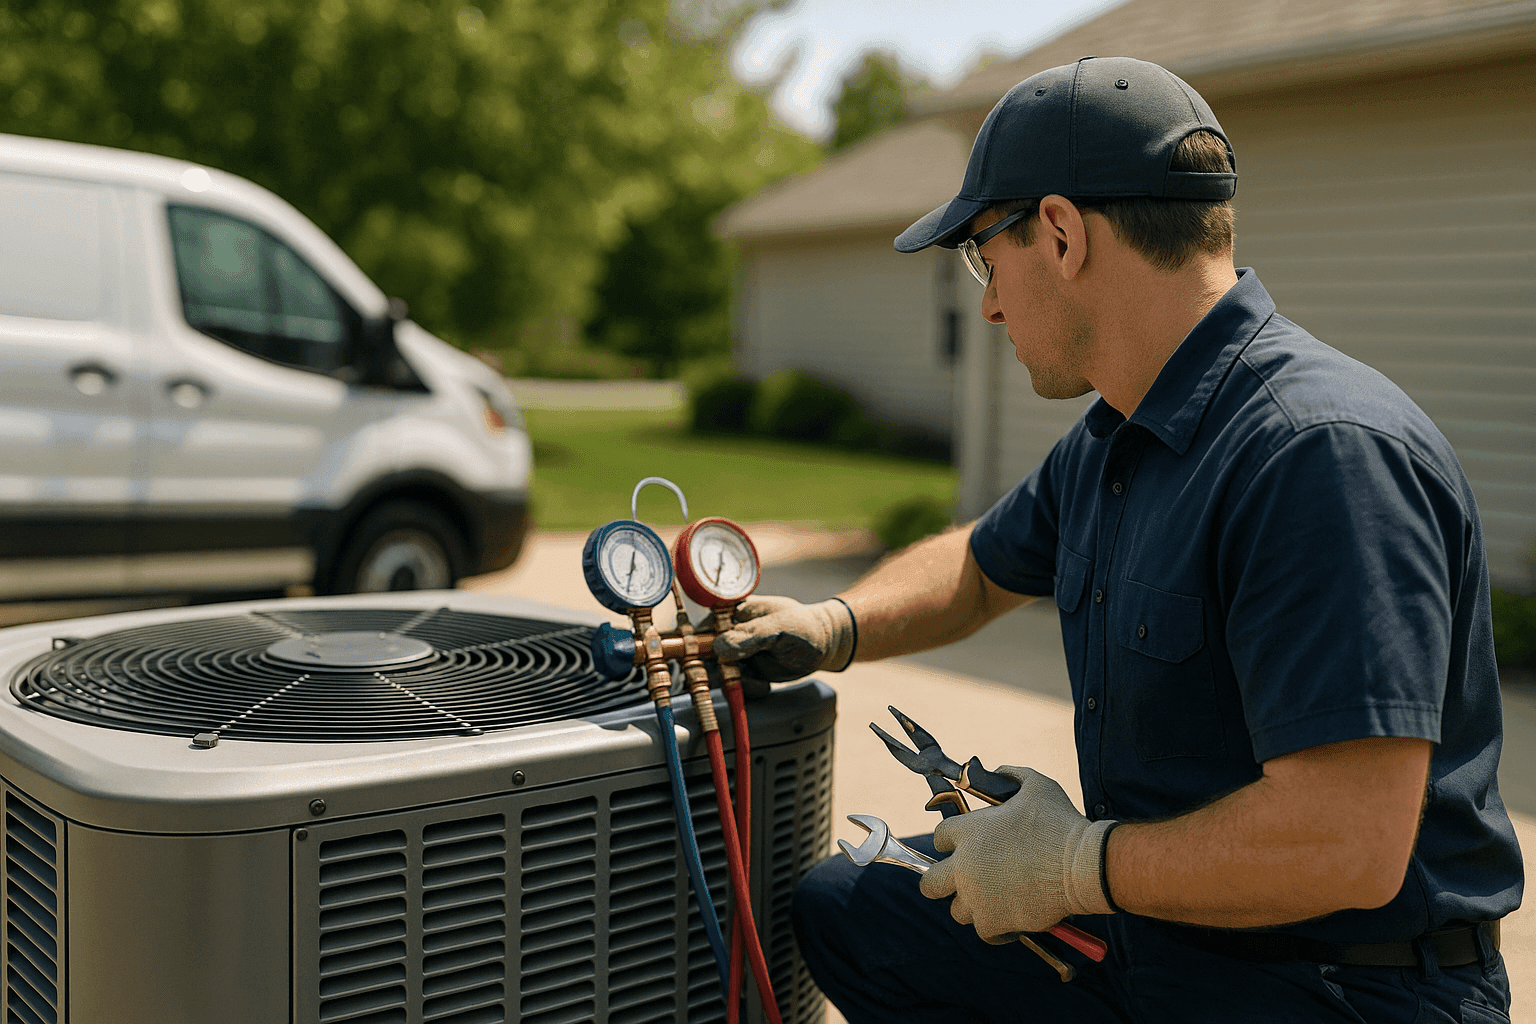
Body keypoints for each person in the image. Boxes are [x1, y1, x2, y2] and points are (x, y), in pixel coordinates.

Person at [713, 56, 1521, 1022]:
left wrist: (1071, 864)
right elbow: (977, 568)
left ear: (1058, 233)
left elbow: (1343, 841)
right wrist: (831, 625)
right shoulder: (1118, 436)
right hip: (1163, 937)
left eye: (985, 254)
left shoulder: (1317, 457)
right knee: (857, 908)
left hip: (1345, 985)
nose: (989, 304)